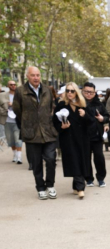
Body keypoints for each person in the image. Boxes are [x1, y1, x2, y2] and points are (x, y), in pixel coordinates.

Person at [13, 66, 58, 199]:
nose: (36, 78)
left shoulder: (47, 90)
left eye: (38, 75)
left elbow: (50, 108)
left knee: (51, 159)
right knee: (36, 163)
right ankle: (40, 187)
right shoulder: (20, 91)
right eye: (33, 75)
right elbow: (17, 110)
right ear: (27, 76)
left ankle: (50, 185)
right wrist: (28, 122)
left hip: (48, 131)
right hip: (31, 133)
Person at [53, 82, 91, 199]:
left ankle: (75, 186)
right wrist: (61, 127)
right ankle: (80, 188)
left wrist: (85, 115)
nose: (69, 93)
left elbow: (91, 122)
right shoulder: (61, 105)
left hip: (82, 138)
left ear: (76, 92)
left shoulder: (83, 105)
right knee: (74, 160)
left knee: (81, 160)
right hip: (68, 138)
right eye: (67, 91)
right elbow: (55, 122)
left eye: (72, 91)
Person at [82, 81, 109, 187]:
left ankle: (101, 178)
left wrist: (103, 119)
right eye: (86, 92)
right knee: (86, 158)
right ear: (82, 91)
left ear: (95, 92)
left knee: (99, 158)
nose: (89, 94)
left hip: (97, 136)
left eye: (91, 92)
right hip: (84, 136)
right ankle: (88, 178)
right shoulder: (79, 103)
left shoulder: (99, 104)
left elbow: (106, 116)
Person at [1, 80, 23, 163]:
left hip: (17, 121)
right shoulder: (2, 95)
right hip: (7, 121)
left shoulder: (20, 96)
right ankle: (15, 154)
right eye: (11, 84)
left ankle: (19, 157)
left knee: (18, 139)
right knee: (11, 140)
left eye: (14, 84)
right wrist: (6, 108)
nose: (13, 86)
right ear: (8, 86)